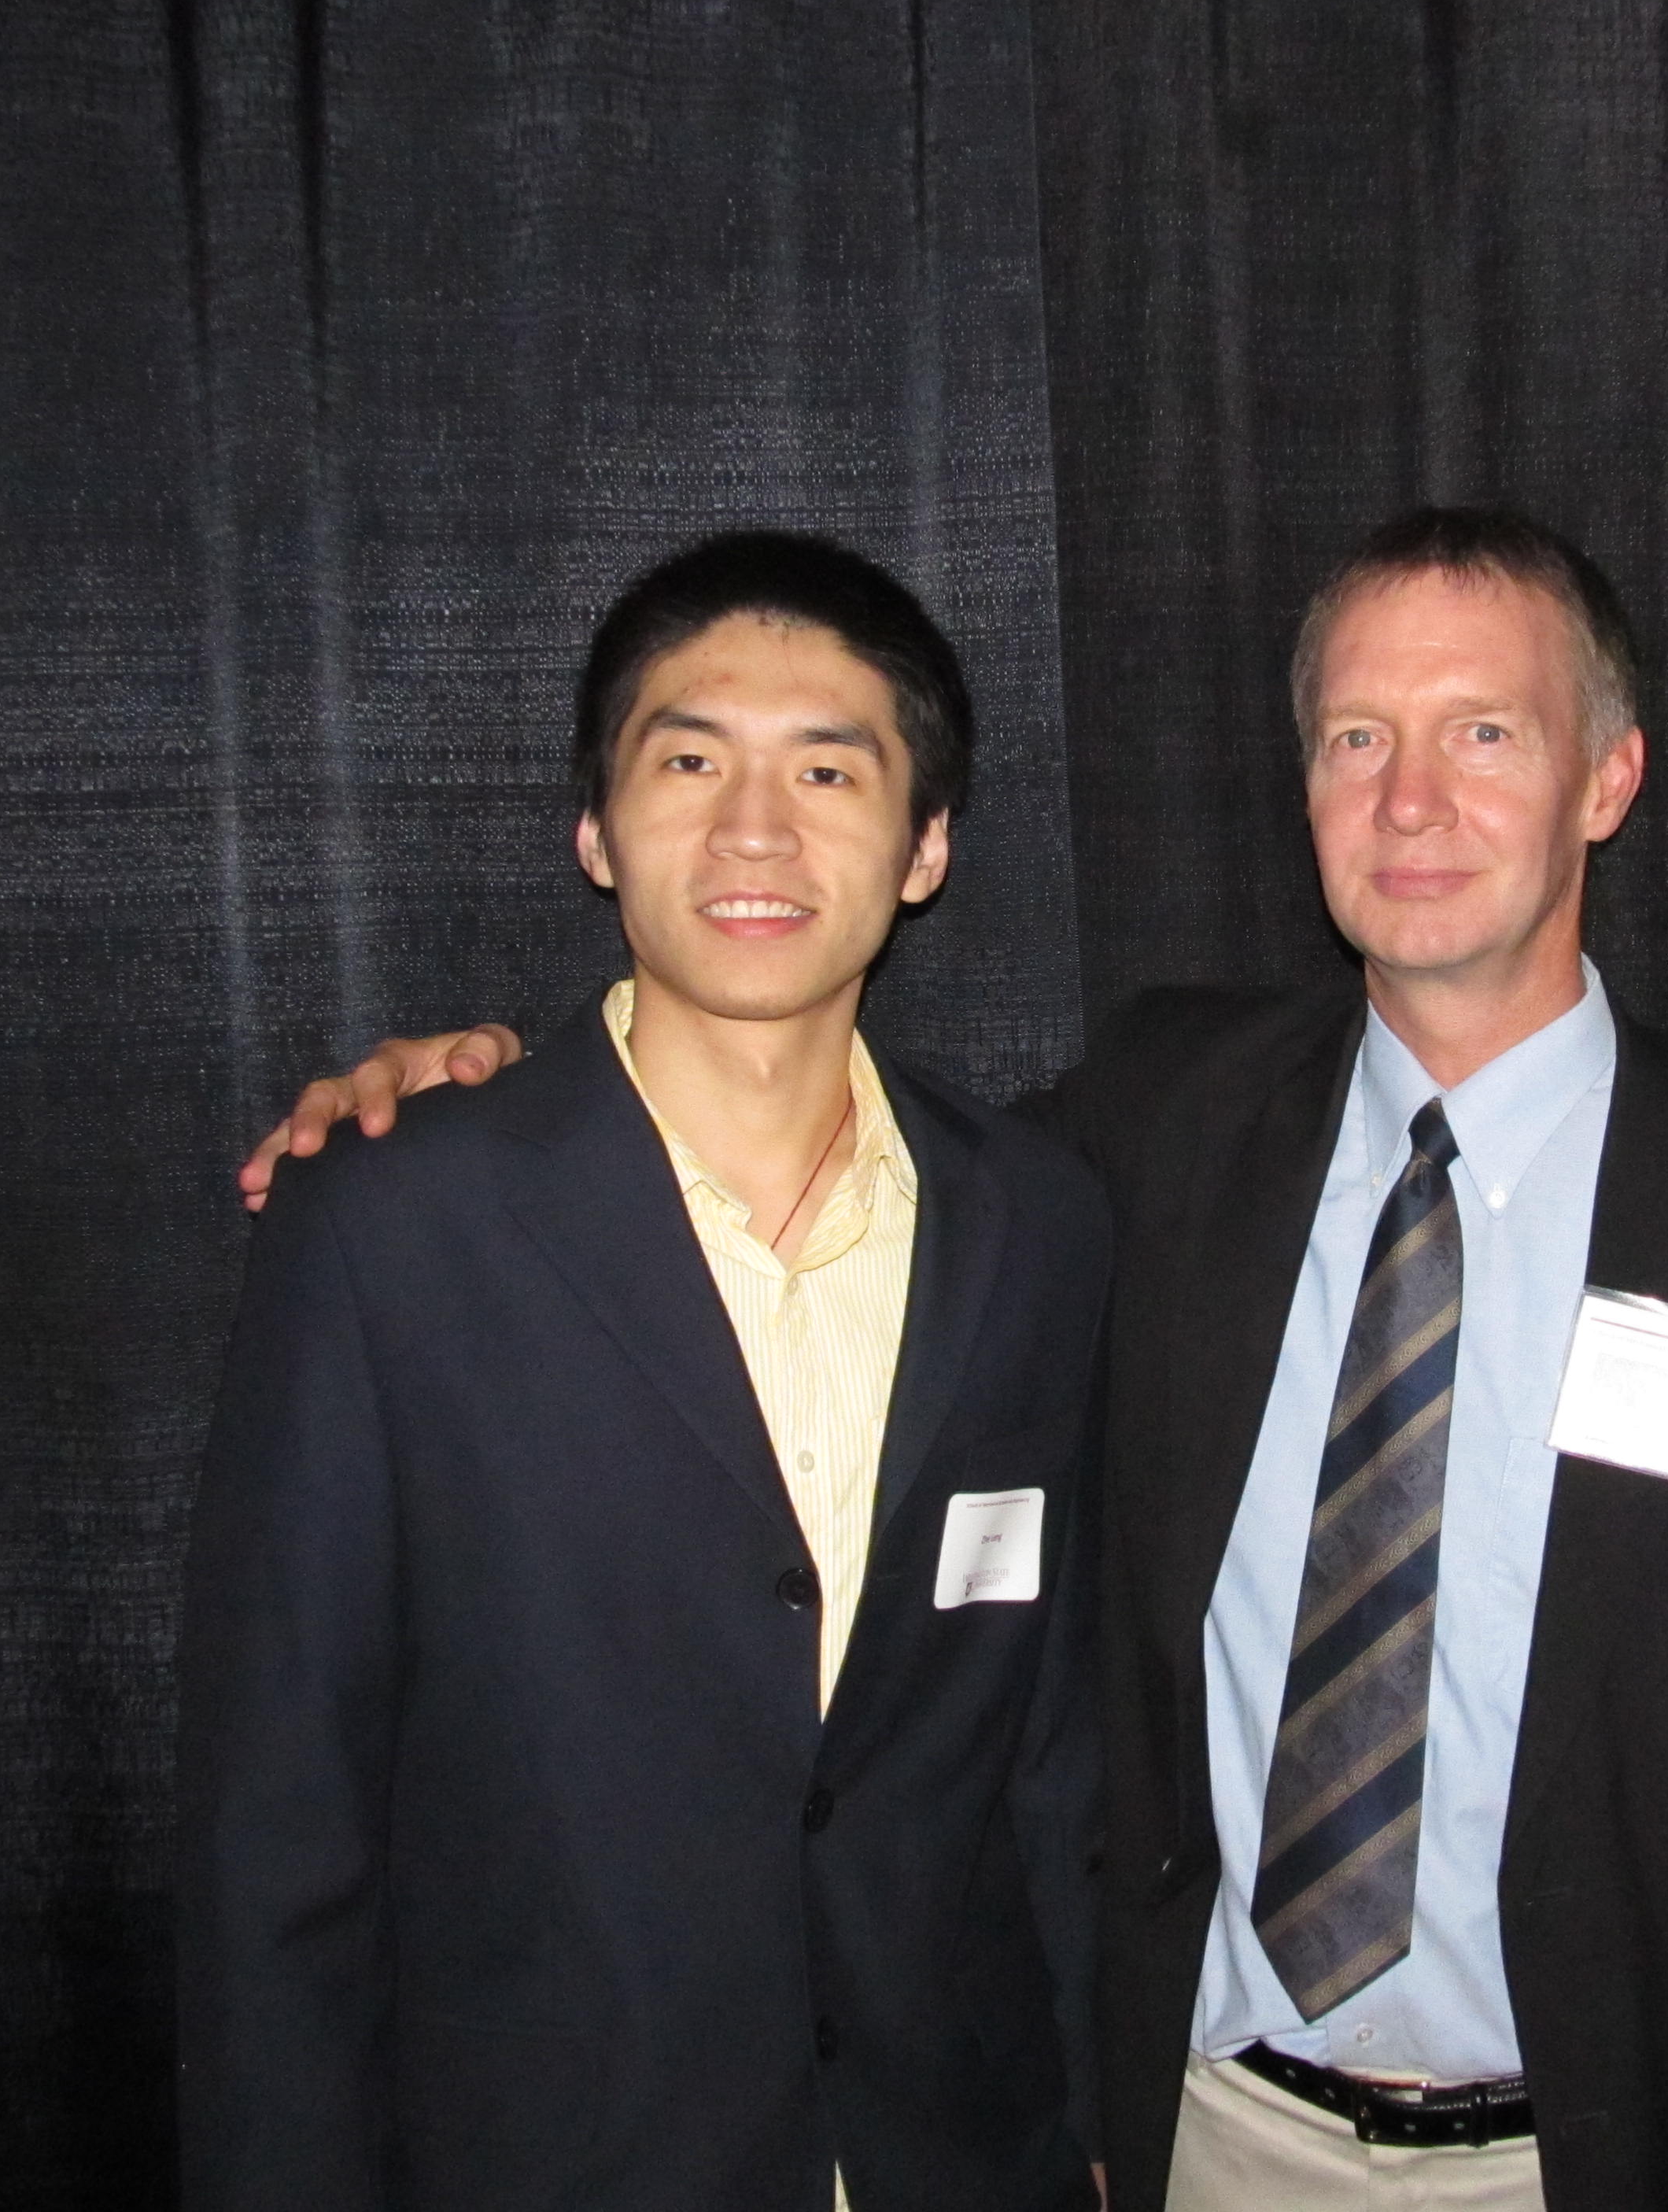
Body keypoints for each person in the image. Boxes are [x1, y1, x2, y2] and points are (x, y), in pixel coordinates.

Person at [246, 508, 1668, 2210]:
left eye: (1483, 733)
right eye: (1356, 738)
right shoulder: (1146, 1142)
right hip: (1205, 2142)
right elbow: (749, 1139)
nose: (1410, 798)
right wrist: (474, 1083)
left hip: (1624, 2160)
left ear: (1608, 778)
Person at [182, 532, 1109, 2212]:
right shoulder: (396, 1224)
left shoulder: (1036, 1221)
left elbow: (1045, 1748)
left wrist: (1089, 2126)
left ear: (925, 846)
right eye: (689, 762)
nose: (754, 828)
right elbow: (280, 1824)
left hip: (960, 2155)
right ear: (596, 831)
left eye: (827, 770)